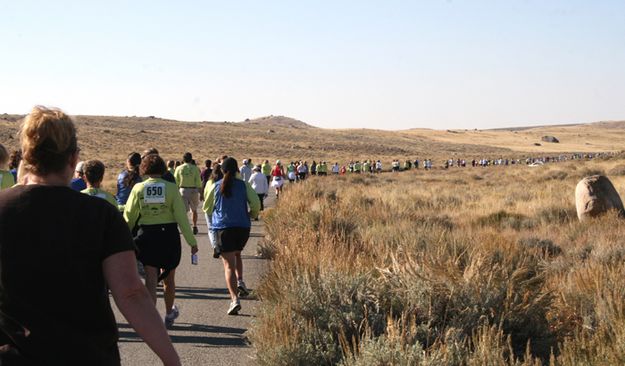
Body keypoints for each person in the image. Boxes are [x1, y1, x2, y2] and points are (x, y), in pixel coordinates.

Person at [0, 106, 180, 365]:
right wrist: (171, 359)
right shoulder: (101, 215)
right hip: (87, 355)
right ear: (74, 160)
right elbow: (130, 293)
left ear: (26, 156)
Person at [125, 154, 199, 328]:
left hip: (147, 235)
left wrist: (124, 237)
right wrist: (191, 241)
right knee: (169, 279)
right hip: (168, 236)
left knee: (151, 279)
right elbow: (181, 216)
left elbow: (129, 216)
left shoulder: (139, 188)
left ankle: (150, 319)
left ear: (144, 169)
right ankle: (168, 314)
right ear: (162, 169)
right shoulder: (171, 188)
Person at [203, 158, 260, 315]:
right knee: (237, 253)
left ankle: (234, 299)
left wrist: (216, 214)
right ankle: (240, 281)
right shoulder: (243, 185)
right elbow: (256, 204)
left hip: (223, 228)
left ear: (222, 170)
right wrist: (251, 214)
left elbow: (206, 207)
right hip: (242, 228)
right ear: (237, 170)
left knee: (228, 265)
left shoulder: (215, 186)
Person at [174, 152, 202, 235]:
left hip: (183, 190)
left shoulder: (179, 168)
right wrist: (201, 193)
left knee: (183, 211)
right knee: (194, 210)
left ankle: (184, 227)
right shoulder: (195, 168)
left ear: (183, 159)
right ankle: (194, 225)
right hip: (193, 190)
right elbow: (198, 182)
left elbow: (176, 181)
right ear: (191, 159)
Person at [203, 164, 224, 258]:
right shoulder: (223, 183)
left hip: (209, 207)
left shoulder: (209, 182)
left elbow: (205, 194)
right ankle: (219, 244)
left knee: (211, 229)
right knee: (219, 228)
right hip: (220, 208)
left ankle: (215, 246)